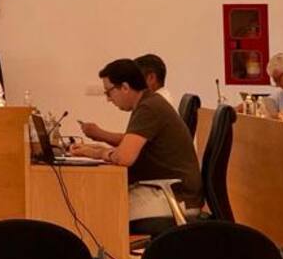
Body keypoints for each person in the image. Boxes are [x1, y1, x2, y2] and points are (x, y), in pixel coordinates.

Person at [71, 59, 202, 232]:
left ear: (125, 87)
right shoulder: (148, 103)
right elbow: (128, 143)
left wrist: (98, 153)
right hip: (168, 191)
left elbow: (125, 157)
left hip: (173, 197)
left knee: (99, 211)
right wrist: (96, 149)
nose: (108, 99)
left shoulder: (149, 107)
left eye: (109, 92)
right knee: (99, 204)